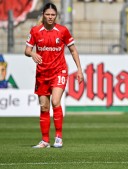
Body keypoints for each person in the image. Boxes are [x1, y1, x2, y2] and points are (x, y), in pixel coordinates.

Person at [24, 3, 84, 148]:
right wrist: (32, 53)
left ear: (56, 16)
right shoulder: (35, 31)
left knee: (55, 102)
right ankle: (45, 140)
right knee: (44, 107)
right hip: (42, 73)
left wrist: (79, 69)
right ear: (43, 15)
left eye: (53, 15)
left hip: (59, 71)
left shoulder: (62, 31)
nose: (50, 17)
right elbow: (26, 50)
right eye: (48, 14)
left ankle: (58, 137)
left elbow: (73, 50)